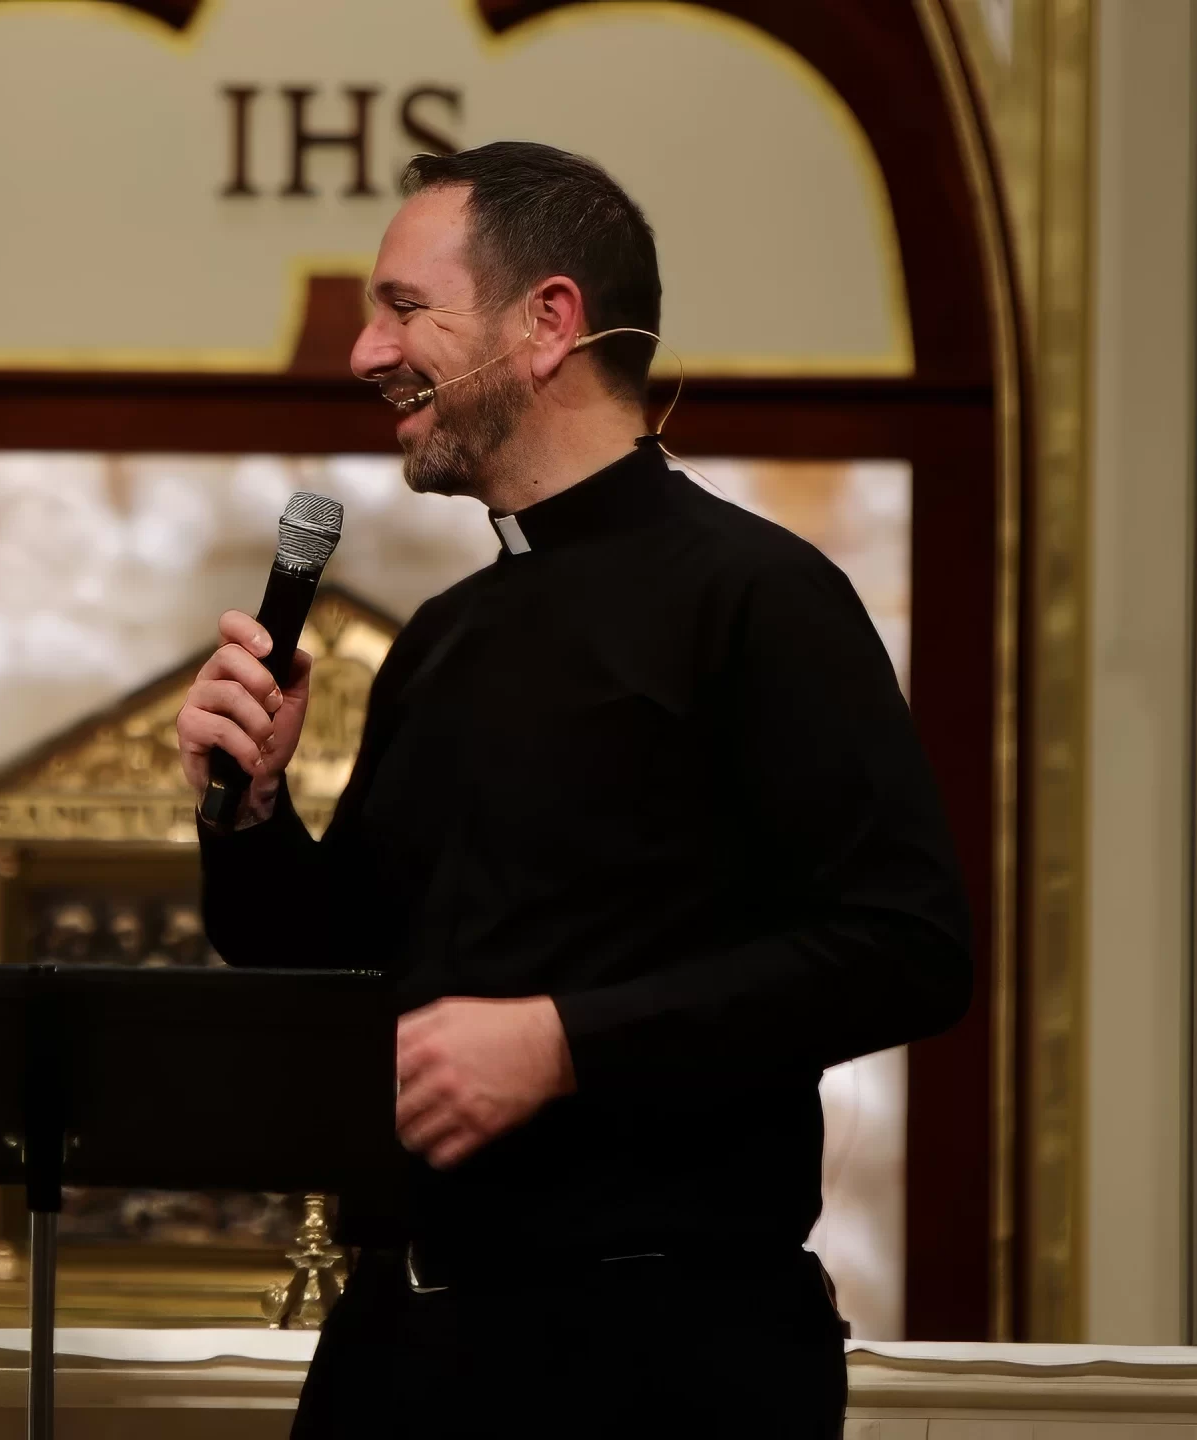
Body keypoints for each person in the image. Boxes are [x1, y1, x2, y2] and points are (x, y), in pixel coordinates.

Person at [175, 142, 971, 1435]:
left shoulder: (759, 598)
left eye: (404, 307)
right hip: (407, 1348)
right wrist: (255, 818)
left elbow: (909, 949)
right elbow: (334, 971)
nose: (367, 353)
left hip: (661, 1358)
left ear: (547, 323)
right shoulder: (445, 637)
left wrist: (565, 1044)